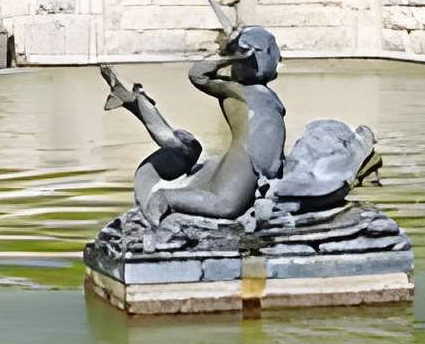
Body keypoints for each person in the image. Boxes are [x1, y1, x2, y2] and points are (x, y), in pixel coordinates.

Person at [103, 26, 287, 224]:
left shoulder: (260, 92)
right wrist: (231, 57)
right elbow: (197, 75)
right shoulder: (233, 89)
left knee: (224, 195)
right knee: (226, 206)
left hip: (251, 169)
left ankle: (135, 101)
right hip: (239, 171)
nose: (277, 60)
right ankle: (163, 202)